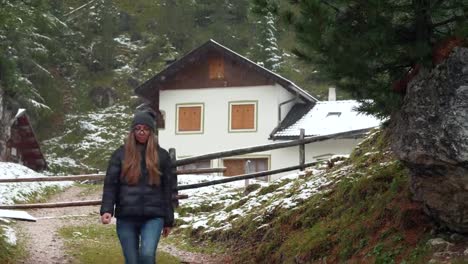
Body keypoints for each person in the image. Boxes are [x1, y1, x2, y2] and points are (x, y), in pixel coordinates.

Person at [100, 111, 175, 264]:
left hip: (153, 217)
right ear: (132, 131)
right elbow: (110, 185)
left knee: (147, 256)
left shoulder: (162, 156)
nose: (141, 132)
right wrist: (107, 209)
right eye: (138, 128)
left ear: (151, 132)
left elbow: (168, 189)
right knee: (132, 261)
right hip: (126, 217)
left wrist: (168, 220)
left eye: (146, 129)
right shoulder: (120, 155)